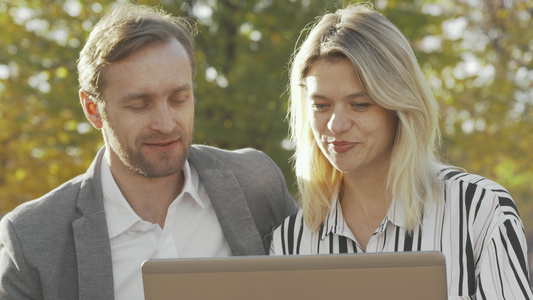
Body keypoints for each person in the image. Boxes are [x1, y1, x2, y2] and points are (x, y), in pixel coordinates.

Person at [0, 4, 298, 300]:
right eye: (140, 104)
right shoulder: (31, 238)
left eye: (178, 98)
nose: (165, 124)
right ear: (93, 110)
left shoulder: (257, 185)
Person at [270, 4, 532, 299]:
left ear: (400, 106)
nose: (336, 124)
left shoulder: (481, 211)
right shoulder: (290, 242)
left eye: (360, 104)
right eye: (321, 105)